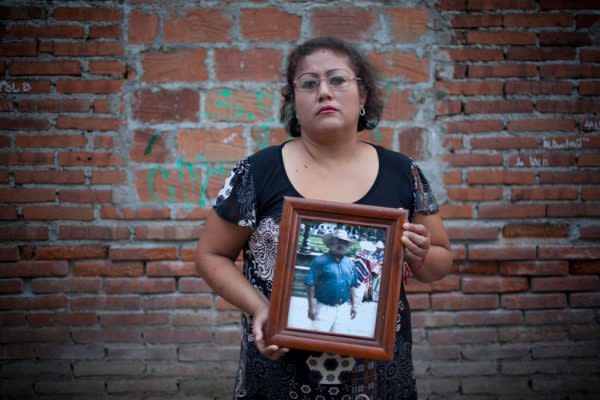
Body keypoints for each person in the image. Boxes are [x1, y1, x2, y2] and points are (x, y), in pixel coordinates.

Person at [195, 37, 453, 400]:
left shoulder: (402, 172)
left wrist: (421, 253)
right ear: (293, 103)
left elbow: (439, 264)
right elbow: (210, 255)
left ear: (363, 96)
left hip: (377, 381)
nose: (324, 92)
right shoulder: (257, 172)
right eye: (309, 83)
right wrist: (261, 308)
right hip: (278, 376)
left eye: (338, 80)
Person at [305, 228, 359, 333]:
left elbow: (352, 285)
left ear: (347, 245)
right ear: (331, 243)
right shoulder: (319, 261)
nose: (341, 244)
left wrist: (354, 305)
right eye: (338, 241)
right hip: (324, 308)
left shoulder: (350, 264)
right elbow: (310, 285)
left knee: (339, 342)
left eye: (344, 242)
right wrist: (311, 307)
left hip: (343, 308)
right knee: (318, 341)